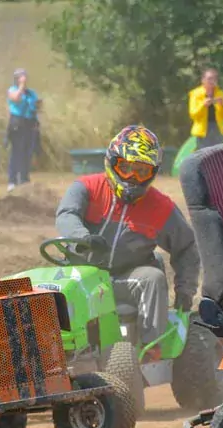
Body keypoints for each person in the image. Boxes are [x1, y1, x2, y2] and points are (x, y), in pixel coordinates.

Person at [54, 125, 200, 360]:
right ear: (112, 163)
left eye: (141, 171)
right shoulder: (86, 187)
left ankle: (150, 349)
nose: (132, 178)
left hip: (125, 280)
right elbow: (66, 214)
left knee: (153, 278)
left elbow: (187, 248)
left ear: (152, 173)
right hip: (82, 277)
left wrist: (185, 290)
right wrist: (83, 238)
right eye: (126, 168)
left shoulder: (161, 207)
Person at [5, 68, 40, 192]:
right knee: (16, 152)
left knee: (27, 153)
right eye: (21, 77)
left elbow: (36, 106)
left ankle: (24, 179)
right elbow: (16, 98)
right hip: (17, 123)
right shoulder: (12, 90)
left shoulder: (31, 93)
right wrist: (21, 86)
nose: (24, 78)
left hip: (29, 123)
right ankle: (12, 180)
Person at [188, 68, 223, 151]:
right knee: (205, 155)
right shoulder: (195, 94)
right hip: (203, 131)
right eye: (209, 79)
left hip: (217, 129)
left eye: (214, 79)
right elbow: (193, 114)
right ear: (203, 80)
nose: (212, 81)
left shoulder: (220, 93)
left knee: (219, 153)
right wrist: (203, 105)